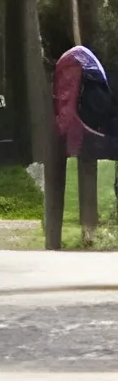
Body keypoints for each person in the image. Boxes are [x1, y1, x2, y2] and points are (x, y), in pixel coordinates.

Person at [54, 43, 110, 243]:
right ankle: (89, 233)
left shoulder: (86, 73)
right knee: (86, 169)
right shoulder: (89, 73)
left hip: (87, 130)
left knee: (87, 169)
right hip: (88, 130)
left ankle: (89, 233)